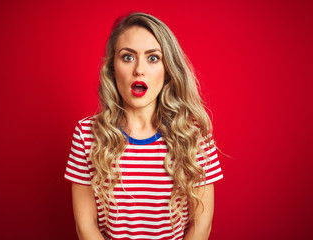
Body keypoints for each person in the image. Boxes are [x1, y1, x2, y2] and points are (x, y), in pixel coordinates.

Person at [64, 12, 223, 240]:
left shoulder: (194, 135)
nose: (139, 69)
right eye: (128, 57)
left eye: (153, 58)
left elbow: (202, 226)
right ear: (112, 68)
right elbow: (86, 227)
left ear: (168, 69)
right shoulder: (86, 134)